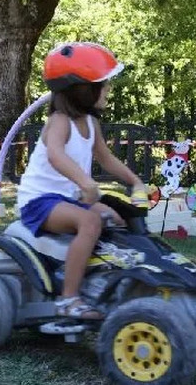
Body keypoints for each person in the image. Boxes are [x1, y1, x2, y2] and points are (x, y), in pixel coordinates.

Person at [16, 42, 148, 320]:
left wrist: (135, 182)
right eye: (104, 84)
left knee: (116, 219)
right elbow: (55, 155)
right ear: (82, 89)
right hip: (39, 201)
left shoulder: (90, 122)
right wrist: (86, 183)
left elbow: (106, 158)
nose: (108, 90)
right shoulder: (59, 120)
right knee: (90, 221)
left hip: (68, 199)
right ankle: (69, 298)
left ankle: (105, 283)